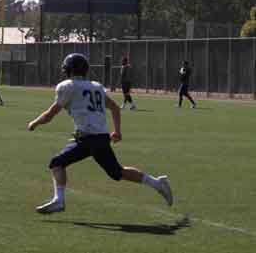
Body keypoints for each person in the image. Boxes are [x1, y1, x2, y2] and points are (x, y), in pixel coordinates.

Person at [27, 53, 173, 214]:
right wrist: (117, 131)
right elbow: (115, 108)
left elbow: (50, 115)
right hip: (99, 138)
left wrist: (34, 123)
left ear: (69, 70)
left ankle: (59, 201)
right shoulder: (96, 86)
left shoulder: (67, 86)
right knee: (117, 172)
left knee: (57, 163)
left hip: (88, 138)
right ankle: (157, 183)